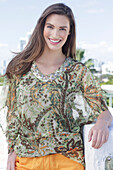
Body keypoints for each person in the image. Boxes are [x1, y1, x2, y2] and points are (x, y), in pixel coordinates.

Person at [0, 3, 112, 170]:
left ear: (69, 32)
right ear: (41, 27)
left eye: (62, 29)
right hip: (27, 161)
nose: (55, 34)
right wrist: (11, 150)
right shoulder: (20, 68)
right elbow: (13, 114)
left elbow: (103, 110)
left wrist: (102, 124)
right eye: (50, 26)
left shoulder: (77, 71)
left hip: (68, 160)